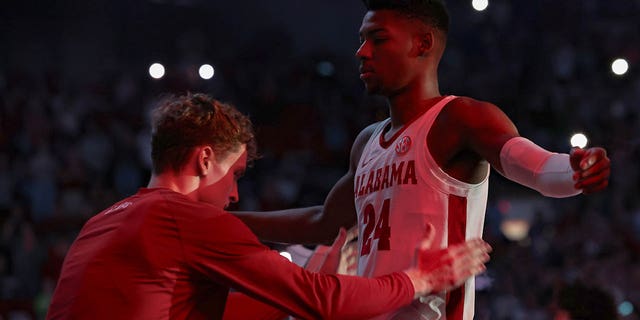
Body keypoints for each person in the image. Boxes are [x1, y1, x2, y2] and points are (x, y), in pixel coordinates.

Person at [231, 1, 611, 319]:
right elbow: (325, 222)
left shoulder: (460, 117)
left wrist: (574, 171)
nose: (362, 52)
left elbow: (538, 168)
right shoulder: (367, 141)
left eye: (378, 39)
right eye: (362, 40)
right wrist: (225, 223)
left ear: (422, 43)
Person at [46, 93, 492, 320]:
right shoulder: (186, 218)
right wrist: (421, 278)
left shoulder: (101, 221)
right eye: (235, 174)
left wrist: (308, 280)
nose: (235, 195)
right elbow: (324, 303)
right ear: (204, 159)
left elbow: (225, 311)